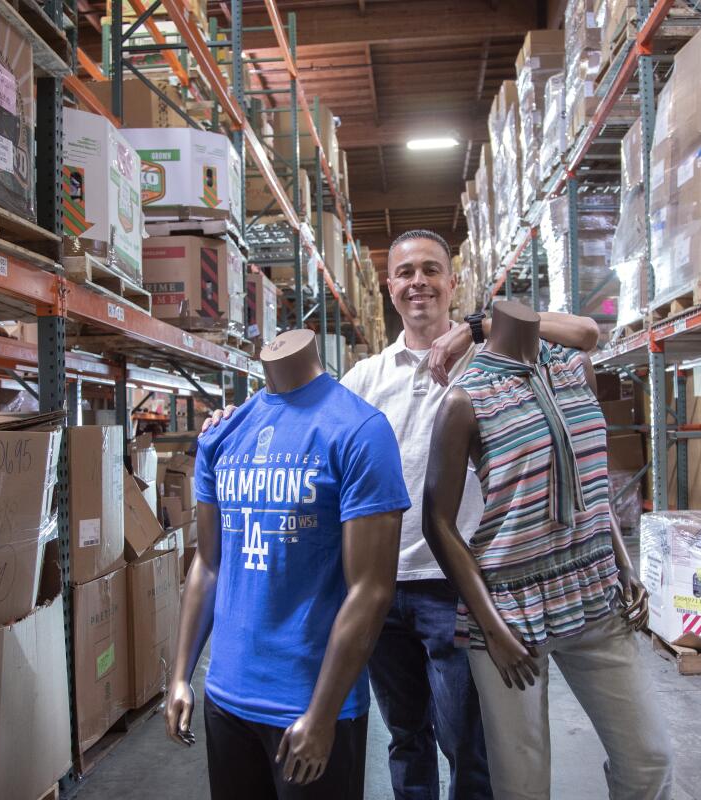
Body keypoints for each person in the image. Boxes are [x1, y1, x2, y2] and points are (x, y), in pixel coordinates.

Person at [206, 230, 600, 799]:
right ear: (390, 287)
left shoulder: (493, 361)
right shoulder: (366, 379)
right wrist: (231, 424)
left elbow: (586, 335)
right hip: (382, 592)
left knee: (467, 742)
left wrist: (479, 325)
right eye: (407, 272)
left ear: (453, 281)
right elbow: (299, 418)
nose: (419, 282)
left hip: (456, 589)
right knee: (405, 736)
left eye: (432, 270)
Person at [422, 300, 672, 800]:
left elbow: (592, 485)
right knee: (523, 785)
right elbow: (437, 522)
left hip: (596, 597)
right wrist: (491, 628)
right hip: (511, 613)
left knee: (649, 760)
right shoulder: (465, 400)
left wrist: (624, 566)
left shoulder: (575, 369)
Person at [166, 330, 409, 799]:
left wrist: (322, 713)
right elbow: (208, 564)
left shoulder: (360, 431)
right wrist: (180, 676)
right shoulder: (223, 435)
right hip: (226, 697)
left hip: (310, 702)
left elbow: (372, 590)